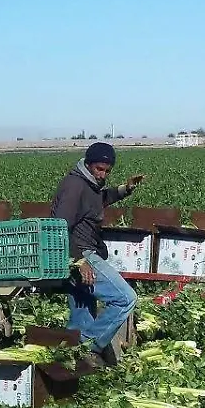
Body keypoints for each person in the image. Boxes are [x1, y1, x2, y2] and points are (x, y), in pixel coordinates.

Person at [50, 142, 145, 366]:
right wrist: (78, 261)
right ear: (88, 163)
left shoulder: (88, 184)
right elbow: (58, 227)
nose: (102, 174)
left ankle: (70, 366)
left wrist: (125, 189)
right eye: (99, 169)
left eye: (107, 171)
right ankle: (87, 346)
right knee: (125, 299)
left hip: (79, 255)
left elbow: (99, 200)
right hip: (80, 255)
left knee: (82, 313)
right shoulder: (75, 186)